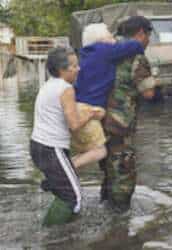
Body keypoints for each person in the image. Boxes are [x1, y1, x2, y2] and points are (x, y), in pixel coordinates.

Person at [30, 47, 104, 226]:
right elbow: (74, 124)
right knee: (74, 198)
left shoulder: (49, 85)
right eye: (74, 66)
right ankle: (49, 235)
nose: (78, 69)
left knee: (68, 192)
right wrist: (92, 114)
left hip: (39, 146)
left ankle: (66, 229)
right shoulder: (65, 89)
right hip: (50, 149)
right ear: (62, 70)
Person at [100, 16, 156, 211]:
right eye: (149, 35)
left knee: (108, 168)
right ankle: (119, 224)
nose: (149, 40)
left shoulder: (106, 51)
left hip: (98, 120)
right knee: (124, 172)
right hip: (120, 124)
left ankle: (106, 210)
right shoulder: (137, 57)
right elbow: (148, 92)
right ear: (141, 33)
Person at [71, 23, 145, 169]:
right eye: (109, 35)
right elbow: (136, 45)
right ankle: (67, 168)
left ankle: (66, 168)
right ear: (101, 39)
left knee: (87, 150)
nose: (113, 38)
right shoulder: (103, 51)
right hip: (90, 111)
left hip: (78, 108)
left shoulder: (85, 54)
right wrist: (115, 43)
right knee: (100, 151)